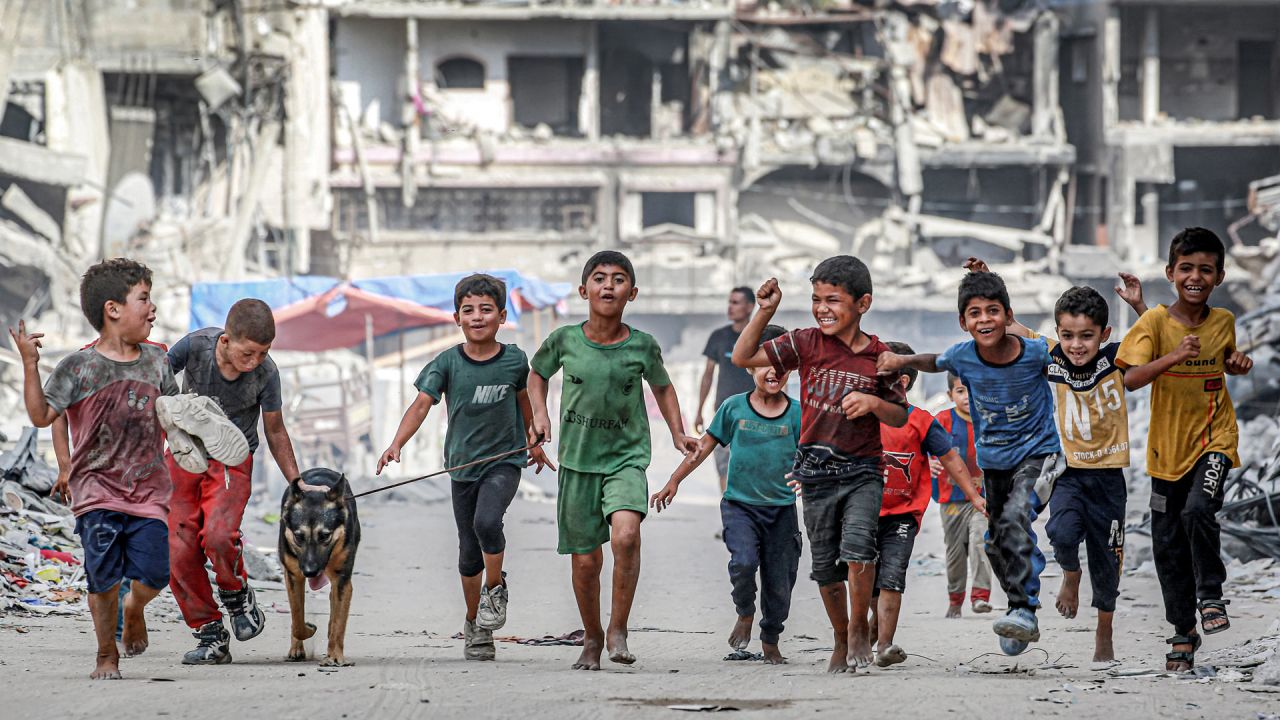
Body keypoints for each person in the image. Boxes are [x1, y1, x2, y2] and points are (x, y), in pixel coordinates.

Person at [730, 256, 908, 674]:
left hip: (863, 470)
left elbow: (899, 416)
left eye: (833, 300)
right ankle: (841, 637)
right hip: (815, 476)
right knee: (826, 566)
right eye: (815, 299)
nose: (822, 308)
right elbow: (743, 357)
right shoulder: (805, 342)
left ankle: (862, 631)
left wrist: (874, 403)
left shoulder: (880, 356)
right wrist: (766, 311)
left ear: (863, 303)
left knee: (860, 550)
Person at [528, 251, 698, 671]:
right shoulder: (565, 339)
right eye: (599, 279)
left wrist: (678, 432)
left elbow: (663, 387)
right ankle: (592, 635)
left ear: (632, 293)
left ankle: (618, 628)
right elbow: (537, 374)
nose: (609, 286)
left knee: (625, 536)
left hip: (626, 459)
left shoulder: (642, 345)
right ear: (584, 290)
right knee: (586, 560)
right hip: (577, 462)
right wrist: (539, 413)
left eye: (619, 279)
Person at [877, 269, 1062, 656]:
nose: (984, 319)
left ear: (1009, 315)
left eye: (993, 311)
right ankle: (1016, 607)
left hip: (1038, 456)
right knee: (995, 541)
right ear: (963, 322)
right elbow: (934, 361)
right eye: (974, 313)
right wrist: (900, 359)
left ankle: (1026, 609)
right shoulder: (963, 356)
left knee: (1014, 520)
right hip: (995, 464)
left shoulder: (1035, 354)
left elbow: (1075, 363)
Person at [10, 258, 178, 680]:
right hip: (96, 491)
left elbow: (176, 415)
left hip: (149, 491)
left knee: (157, 572)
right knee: (102, 579)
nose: (153, 309)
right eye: (144, 299)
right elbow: (40, 415)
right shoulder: (79, 367)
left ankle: (134, 606)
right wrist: (30, 364)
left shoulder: (159, 362)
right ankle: (106, 653)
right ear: (113, 309)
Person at [377, 274, 553, 661]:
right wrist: (396, 443)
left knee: (487, 522)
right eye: (468, 310)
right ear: (456, 317)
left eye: (486, 309)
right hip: (461, 467)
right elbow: (422, 404)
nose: (477, 316)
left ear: (502, 316)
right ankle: (476, 626)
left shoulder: (514, 359)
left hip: (504, 461)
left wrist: (534, 439)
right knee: (468, 552)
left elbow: (526, 400)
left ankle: (495, 589)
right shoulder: (447, 362)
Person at [1116, 227, 1252, 671]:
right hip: (1165, 452)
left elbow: (1226, 361)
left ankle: (1211, 595)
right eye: (1187, 268)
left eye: (1206, 270)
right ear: (1171, 272)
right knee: (1168, 544)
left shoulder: (1224, 321)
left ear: (1220, 276)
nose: (1196, 276)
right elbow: (1130, 379)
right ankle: (1182, 632)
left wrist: (1238, 364)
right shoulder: (1154, 323)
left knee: (1198, 511)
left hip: (1215, 438)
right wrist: (1173, 357)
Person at [650, 325, 801, 665]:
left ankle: (770, 637)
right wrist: (674, 480)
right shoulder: (734, 408)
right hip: (741, 507)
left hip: (782, 511)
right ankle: (745, 611)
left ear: (790, 369)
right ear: (749, 366)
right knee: (744, 563)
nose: (772, 370)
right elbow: (703, 448)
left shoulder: (797, 414)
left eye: (781, 363)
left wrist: (807, 477)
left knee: (781, 582)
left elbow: (812, 454)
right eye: (763, 361)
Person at [163, 299, 304, 664]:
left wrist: (297, 483)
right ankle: (210, 633)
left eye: (263, 353)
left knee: (218, 535)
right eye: (248, 352)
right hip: (184, 454)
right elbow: (156, 377)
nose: (254, 361)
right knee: (179, 550)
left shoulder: (266, 374)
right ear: (225, 341)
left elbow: (275, 430)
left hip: (232, 460)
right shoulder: (195, 347)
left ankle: (236, 594)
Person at [871, 341, 984, 667]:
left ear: (901, 381)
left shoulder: (920, 422)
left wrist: (975, 496)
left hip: (903, 515)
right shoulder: (862, 416)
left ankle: (884, 646)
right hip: (862, 510)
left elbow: (950, 457)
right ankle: (872, 624)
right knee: (866, 579)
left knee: (892, 576)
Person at [933, 373, 994, 618]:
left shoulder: (992, 421)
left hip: (983, 497)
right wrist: (928, 463)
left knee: (981, 540)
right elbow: (921, 447)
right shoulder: (942, 421)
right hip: (950, 499)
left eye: (973, 389)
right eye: (960, 391)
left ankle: (980, 596)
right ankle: (955, 600)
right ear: (950, 395)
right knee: (955, 551)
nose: (967, 396)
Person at [694, 287, 756, 493]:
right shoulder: (719, 336)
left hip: (754, 415)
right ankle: (729, 518)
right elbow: (708, 375)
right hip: (724, 414)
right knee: (724, 467)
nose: (730, 307)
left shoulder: (760, 336)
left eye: (736, 302)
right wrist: (699, 411)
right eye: (730, 302)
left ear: (750, 306)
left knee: (750, 469)